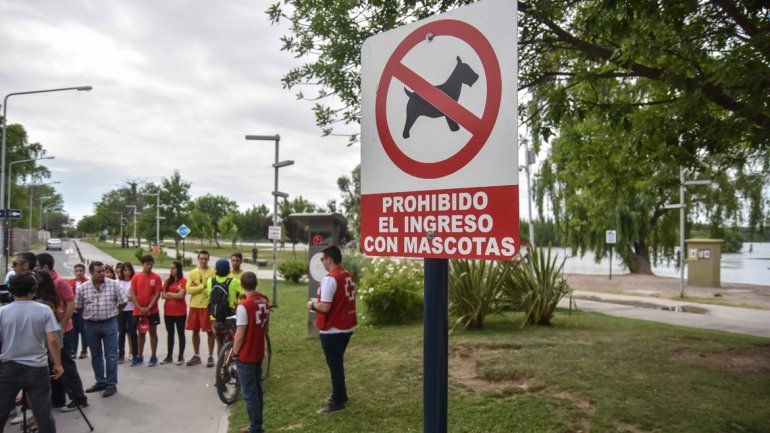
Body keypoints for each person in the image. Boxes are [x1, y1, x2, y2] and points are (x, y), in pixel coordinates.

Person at [0, 271, 64, 433]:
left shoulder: (3, 312)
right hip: (37, 368)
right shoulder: (44, 310)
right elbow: (52, 340)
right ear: (34, 289)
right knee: (43, 414)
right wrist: (57, 364)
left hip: (8, 367)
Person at [307, 245, 357, 413]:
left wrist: (312, 304)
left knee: (334, 365)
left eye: (323, 259)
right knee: (337, 363)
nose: (322, 262)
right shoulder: (347, 274)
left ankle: (338, 401)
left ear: (329, 259)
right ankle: (341, 395)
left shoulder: (331, 279)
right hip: (347, 325)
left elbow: (325, 307)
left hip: (333, 328)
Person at [35, 254, 88, 411]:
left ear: (45, 267)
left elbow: (70, 304)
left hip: (61, 330)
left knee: (65, 364)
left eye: (37, 266)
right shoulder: (41, 282)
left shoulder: (59, 282)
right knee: (52, 365)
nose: (35, 269)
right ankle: (58, 399)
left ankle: (79, 398)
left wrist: (62, 327)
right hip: (49, 332)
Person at [75, 261, 127, 398]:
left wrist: (114, 312)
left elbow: (123, 302)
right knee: (96, 355)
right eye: (99, 271)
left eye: (103, 271)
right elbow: (78, 307)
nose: (102, 273)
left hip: (110, 323)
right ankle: (100, 381)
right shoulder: (82, 288)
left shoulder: (113, 284)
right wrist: (89, 316)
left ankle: (111, 384)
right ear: (91, 272)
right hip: (91, 325)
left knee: (111, 356)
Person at [233, 271, 269, 433]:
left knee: (249, 393)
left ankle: (255, 427)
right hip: (258, 351)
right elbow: (265, 330)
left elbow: (239, 334)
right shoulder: (264, 302)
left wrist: (235, 352)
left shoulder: (244, 306)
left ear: (242, 285)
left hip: (246, 354)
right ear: (256, 284)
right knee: (257, 389)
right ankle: (258, 424)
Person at [128, 255, 162, 367]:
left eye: (151, 264)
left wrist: (148, 308)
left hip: (152, 311)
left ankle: (153, 356)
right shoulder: (136, 277)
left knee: (153, 332)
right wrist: (140, 308)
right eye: (147, 264)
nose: (149, 266)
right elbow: (133, 293)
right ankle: (139, 356)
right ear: (142, 264)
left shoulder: (156, 278)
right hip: (138, 311)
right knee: (141, 333)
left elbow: (157, 294)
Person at [207, 259, 244, 358]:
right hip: (229, 318)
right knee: (229, 344)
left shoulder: (210, 281)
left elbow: (209, 295)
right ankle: (225, 365)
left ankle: (220, 364)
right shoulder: (234, 282)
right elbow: (245, 292)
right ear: (228, 269)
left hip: (215, 318)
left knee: (219, 344)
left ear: (216, 269)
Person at [185, 250, 215, 367]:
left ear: (208, 259)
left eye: (205, 259)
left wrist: (196, 287)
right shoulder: (193, 272)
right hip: (194, 305)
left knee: (210, 331)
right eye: (201, 258)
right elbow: (188, 290)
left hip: (206, 306)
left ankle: (210, 356)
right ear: (198, 259)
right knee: (195, 331)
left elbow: (211, 290)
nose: (203, 261)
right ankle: (196, 355)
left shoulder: (213, 272)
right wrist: (202, 286)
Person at [161, 261, 187, 365]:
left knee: (181, 334)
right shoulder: (167, 281)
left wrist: (169, 293)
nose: (171, 270)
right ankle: (169, 356)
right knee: (170, 334)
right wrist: (175, 294)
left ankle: (181, 356)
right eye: (170, 268)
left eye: (173, 268)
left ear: (178, 269)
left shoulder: (184, 281)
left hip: (180, 312)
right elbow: (163, 296)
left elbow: (181, 296)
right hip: (168, 312)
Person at [116, 263, 137, 365]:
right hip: (121, 310)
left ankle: (135, 354)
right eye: (125, 270)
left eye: (129, 270)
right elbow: (117, 295)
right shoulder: (117, 282)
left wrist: (129, 297)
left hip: (132, 309)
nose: (127, 272)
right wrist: (126, 297)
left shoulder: (134, 281)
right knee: (121, 332)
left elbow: (136, 295)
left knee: (132, 332)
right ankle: (121, 355)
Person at [68, 264, 89, 359]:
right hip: (73, 311)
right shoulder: (70, 282)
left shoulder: (88, 282)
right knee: (73, 331)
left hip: (84, 311)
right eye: (77, 271)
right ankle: (73, 350)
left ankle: (84, 350)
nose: (79, 273)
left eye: (81, 271)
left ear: (84, 272)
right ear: (74, 272)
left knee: (84, 331)